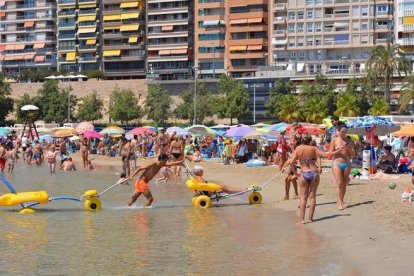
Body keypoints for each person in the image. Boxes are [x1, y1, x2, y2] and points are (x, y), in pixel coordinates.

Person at [285, 135, 344, 224]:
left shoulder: (298, 149)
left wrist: (296, 173)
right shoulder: (313, 148)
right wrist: (338, 151)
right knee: (312, 197)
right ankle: (311, 219)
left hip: (303, 173)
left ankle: (302, 220)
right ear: (310, 141)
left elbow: (291, 162)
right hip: (314, 173)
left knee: (303, 198)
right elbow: (325, 155)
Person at [330, 124, 356, 211]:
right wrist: (339, 149)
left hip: (347, 164)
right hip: (337, 163)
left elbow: (353, 155)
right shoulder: (334, 140)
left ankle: (342, 200)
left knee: (344, 183)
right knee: (340, 183)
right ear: (338, 131)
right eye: (342, 131)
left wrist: (348, 148)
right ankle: (339, 202)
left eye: (345, 132)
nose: (344, 133)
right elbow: (330, 153)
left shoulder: (349, 141)